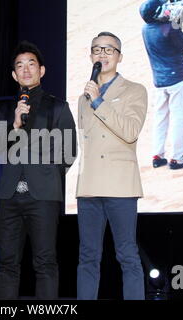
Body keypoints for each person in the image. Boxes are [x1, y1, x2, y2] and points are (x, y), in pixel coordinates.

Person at [0, 40, 77, 299]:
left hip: (43, 195)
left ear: (42, 70)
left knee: (45, 263)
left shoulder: (58, 106)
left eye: (31, 64)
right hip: (9, 195)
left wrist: (45, 173)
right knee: (7, 264)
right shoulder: (5, 110)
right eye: (20, 65)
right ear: (13, 75)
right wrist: (15, 126)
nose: (26, 69)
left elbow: (69, 151)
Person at [76, 32, 147, 300]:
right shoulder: (83, 97)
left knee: (127, 255)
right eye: (97, 49)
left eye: (109, 49)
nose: (102, 54)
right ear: (91, 55)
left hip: (120, 185)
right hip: (90, 186)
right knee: (87, 257)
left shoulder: (135, 90)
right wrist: (92, 98)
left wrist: (99, 101)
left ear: (119, 56)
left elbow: (130, 131)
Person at [140, 0, 183, 169]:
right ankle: (177, 158)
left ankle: (158, 155)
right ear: (158, 12)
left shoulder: (146, 29)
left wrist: (175, 22)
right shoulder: (169, 28)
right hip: (177, 79)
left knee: (160, 118)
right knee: (179, 118)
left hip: (159, 81)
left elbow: (171, 34)